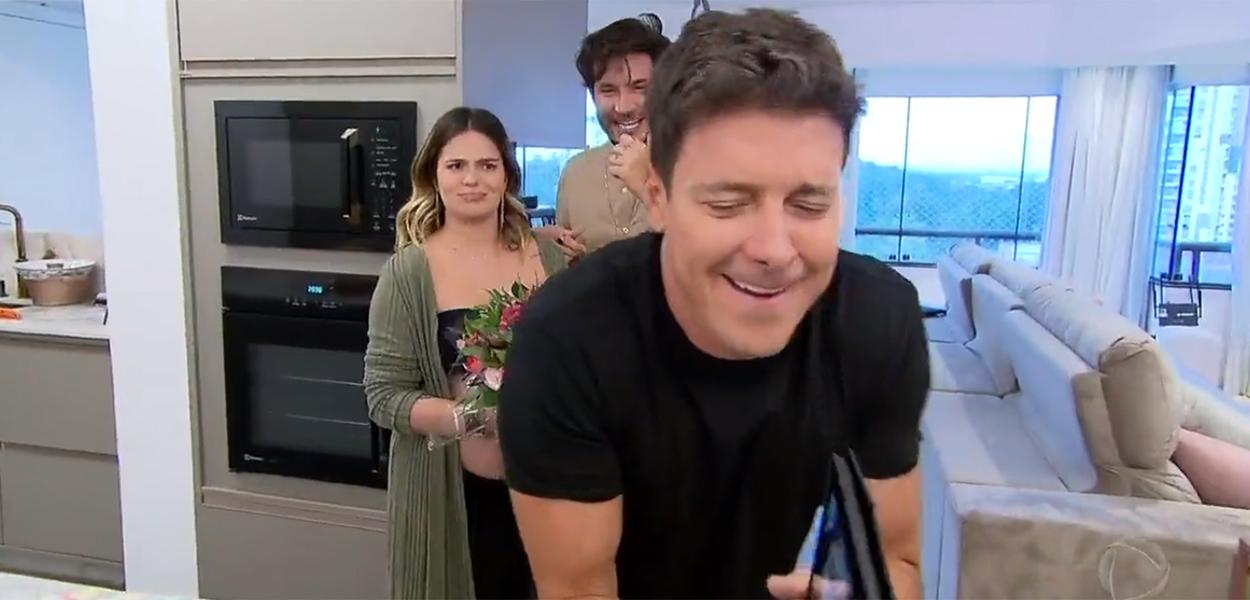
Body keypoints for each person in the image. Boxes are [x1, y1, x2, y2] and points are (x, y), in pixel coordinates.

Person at [498, 8, 928, 600]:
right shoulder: (567, 341)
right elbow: (579, 589)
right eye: (728, 204)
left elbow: (894, 558)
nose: (775, 250)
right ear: (657, 197)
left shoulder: (877, 320)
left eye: (808, 205)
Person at [364, 106, 566, 599]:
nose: (472, 180)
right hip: (455, 499)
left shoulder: (549, 258)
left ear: (507, 175)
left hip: (551, 492)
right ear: (434, 176)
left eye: (487, 165)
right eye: (456, 166)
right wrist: (474, 418)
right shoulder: (408, 274)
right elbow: (383, 397)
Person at [544, 17, 670, 259]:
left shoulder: (694, 164)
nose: (623, 107)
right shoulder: (576, 173)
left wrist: (646, 184)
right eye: (608, 90)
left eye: (640, 88)